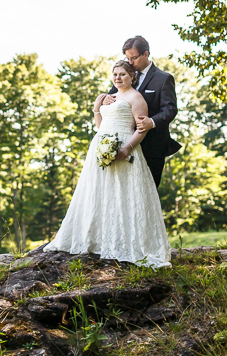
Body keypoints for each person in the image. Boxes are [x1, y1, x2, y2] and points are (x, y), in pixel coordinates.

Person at [43, 61, 171, 267]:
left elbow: (141, 128)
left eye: (122, 74)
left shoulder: (136, 97)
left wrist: (127, 148)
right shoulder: (110, 97)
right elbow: (101, 126)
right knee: (100, 193)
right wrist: (97, 107)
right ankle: (99, 240)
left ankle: (131, 244)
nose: (118, 78)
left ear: (132, 77)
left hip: (125, 148)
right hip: (101, 147)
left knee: (125, 194)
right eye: (115, 74)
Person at [104, 35, 180, 188]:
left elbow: (170, 109)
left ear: (146, 54)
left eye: (134, 58)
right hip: (122, 146)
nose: (130, 63)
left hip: (152, 148)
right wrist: (104, 99)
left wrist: (151, 122)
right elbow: (112, 97)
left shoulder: (163, 79)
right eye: (127, 58)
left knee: (146, 195)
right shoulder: (124, 75)